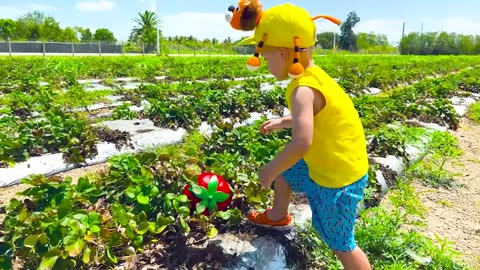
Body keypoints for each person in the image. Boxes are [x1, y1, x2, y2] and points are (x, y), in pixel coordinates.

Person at [228, 3, 372, 270]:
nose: (266, 64)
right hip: (331, 161)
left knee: (340, 243)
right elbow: (321, 116)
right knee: (287, 175)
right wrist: (284, 121)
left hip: (337, 178)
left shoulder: (302, 90)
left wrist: (269, 169)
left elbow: (302, 141)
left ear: (283, 53)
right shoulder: (315, 78)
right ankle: (277, 216)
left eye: (267, 57)